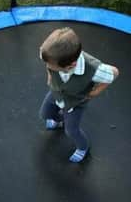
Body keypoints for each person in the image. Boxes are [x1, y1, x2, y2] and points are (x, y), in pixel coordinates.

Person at [39, 27, 119, 163]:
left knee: (71, 131)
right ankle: (59, 120)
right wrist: (49, 75)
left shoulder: (94, 69)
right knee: (45, 114)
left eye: (51, 67)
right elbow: (48, 65)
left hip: (75, 103)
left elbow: (114, 72)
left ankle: (83, 147)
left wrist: (96, 92)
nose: (48, 66)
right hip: (56, 93)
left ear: (71, 65)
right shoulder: (51, 56)